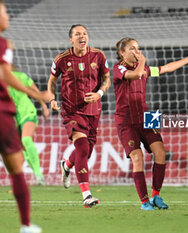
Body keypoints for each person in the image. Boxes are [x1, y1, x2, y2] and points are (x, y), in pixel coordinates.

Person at [113, 38, 188, 210]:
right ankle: (144, 202)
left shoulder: (146, 69)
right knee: (137, 158)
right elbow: (135, 75)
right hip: (125, 120)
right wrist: (143, 62)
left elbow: (166, 68)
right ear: (122, 53)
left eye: (138, 48)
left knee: (160, 152)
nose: (136, 51)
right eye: (132, 48)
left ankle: (156, 196)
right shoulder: (119, 69)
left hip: (147, 116)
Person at [47, 24, 110, 208]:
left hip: (93, 110)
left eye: (84, 33)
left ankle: (66, 165)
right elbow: (52, 80)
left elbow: (106, 79)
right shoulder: (62, 59)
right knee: (82, 147)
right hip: (71, 110)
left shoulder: (98, 56)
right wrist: (52, 98)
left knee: (87, 151)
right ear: (71, 39)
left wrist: (99, 93)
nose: (82, 36)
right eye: (77, 34)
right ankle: (86, 195)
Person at [0, 1, 50, 232]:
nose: (8, 16)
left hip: (23, 114)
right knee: (16, 165)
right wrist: (39, 94)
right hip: (5, 114)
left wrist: (41, 101)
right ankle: (26, 225)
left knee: (23, 149)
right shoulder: (3, 44)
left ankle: (38, 175)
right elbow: (8, 78)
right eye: (4, 11)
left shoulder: (8, 50)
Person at [8, 66, 50, 185]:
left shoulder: (20, 77)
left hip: (28, 113)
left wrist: (44, 106)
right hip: (14, 118)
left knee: (26, 139)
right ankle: (37, 176)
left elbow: (35, 92)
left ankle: (39, 175)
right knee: (23, 148)